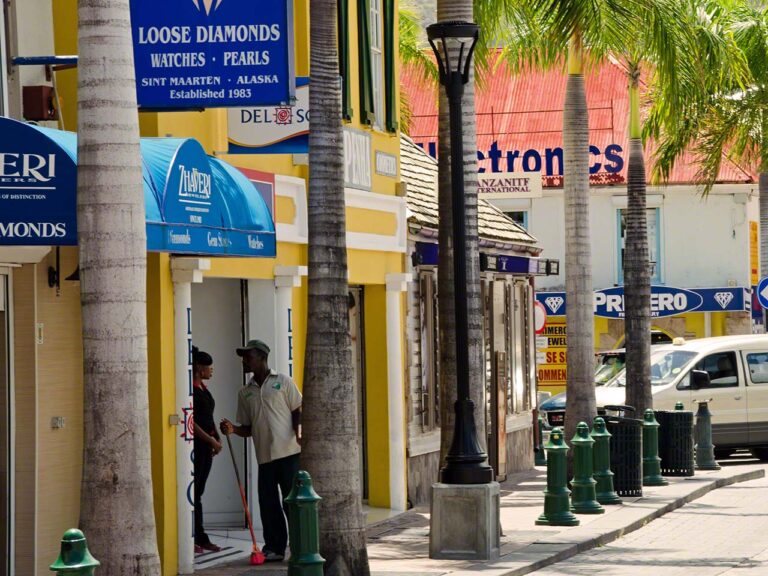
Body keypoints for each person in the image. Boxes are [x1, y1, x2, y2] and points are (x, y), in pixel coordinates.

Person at [220, 339, 302, 563]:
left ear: (263, 358)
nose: (245, 361)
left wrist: (299, 431)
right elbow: (248, 428)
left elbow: (298, 409)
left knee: (292, 503)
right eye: (243, 357)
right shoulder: (244, 393)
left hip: (289, 453)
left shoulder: (283, 382)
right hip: (264, 457)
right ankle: (274, 548)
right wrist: (233, 429)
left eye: (249, 357)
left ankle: (300, 546)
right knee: (268, 505)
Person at [192, 346, 223, 554]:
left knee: (199, 491)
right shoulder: (192, 391)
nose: (211, 370)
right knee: (195, 493)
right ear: (199, 368)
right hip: (199, 445)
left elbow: (208, 417)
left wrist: (216, 437)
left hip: (208, 445)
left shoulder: (203, 388)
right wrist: (211, 441)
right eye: (208, 367)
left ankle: (200, 535)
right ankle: (198, 536)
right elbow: (192, 423)